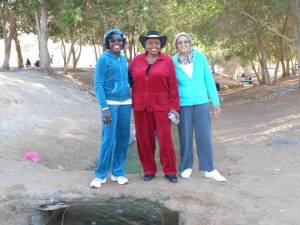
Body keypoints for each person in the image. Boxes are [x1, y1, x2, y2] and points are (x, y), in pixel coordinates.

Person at [172, 32, 226, 182]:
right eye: (180, 42)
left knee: (204, 135)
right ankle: (186, 167)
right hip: (183, 104)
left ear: (190, 43)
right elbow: (172, 85)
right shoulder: (172, 61)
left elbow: (209, 80)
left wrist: (215, 102)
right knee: (185, 136)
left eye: (186, 41)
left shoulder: (200, 57)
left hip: (201, 102)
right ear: (176, 46)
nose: (183, 44)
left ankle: (209, 169)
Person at [129, 31, 180, 183]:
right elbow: (129, 80)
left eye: (157, 43)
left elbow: (173, 87)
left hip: (162, 107)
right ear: (145, 45)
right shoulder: (136, 61)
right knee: (144, 140)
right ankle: (149, 169)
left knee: (165, 140)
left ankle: (170, 171)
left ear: (160, 45)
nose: (154, 45)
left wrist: (174, 107)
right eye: (150, 43)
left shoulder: (167, 61)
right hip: (140, 107)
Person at [90, 28, 132, 188]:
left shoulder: (123, 58)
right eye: (113, 40)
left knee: (123, 138)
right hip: (110, 104)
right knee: (108, 139)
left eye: (119, 40)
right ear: (108, 43)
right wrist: (104, 108)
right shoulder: (103, 59)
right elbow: (98, 84)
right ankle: (100, 175)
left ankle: (118, 172)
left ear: (123, 42)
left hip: (126, 103)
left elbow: (128, 79)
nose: (116, 43)